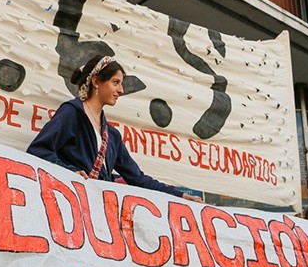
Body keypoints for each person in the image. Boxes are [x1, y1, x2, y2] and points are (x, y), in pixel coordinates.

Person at [27, 54, 203, 203]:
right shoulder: (72, 114)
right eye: (115, 82)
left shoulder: (112, 136)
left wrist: (180, 195)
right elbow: (38, 150)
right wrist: (70, 171)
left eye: (121, 83)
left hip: (97, 209)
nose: (121, 90)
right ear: (96, 81)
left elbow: (138, 178)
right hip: (68, 202)